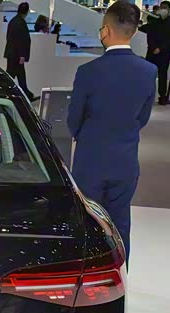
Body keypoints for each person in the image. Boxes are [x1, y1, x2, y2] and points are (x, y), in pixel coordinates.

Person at [67, 1, 156, 263]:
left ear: (105, 30)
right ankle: (120, 275)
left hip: (90, 160)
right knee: (120, 225)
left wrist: (88, 136)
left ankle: (88, 278)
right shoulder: (148, 71)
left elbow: (74, 120)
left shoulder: (88, 72)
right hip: (125, 160)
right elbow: (143, 117)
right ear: (134, 31)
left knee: (88, 225)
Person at [141, 0, 170, 105]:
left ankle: (163, 97)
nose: (163, 9)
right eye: (161, 7)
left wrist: (160, 48)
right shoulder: (154, 21)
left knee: (163, 75)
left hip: (164, 54)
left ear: (169, 9)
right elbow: (150, 36)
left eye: (165, 7)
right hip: (152, 52)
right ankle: (146, 96)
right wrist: (154, 48)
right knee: (149, 75)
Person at [4, 2, 37, 100]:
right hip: (16, 55)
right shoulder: (20, 23)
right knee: (14, 75)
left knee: (17, 75)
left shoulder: (14, 21)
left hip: (13, 53)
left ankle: (26, 93)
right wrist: (22, 55)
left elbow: (11, 38)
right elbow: (21, 40)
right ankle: (24, 94)